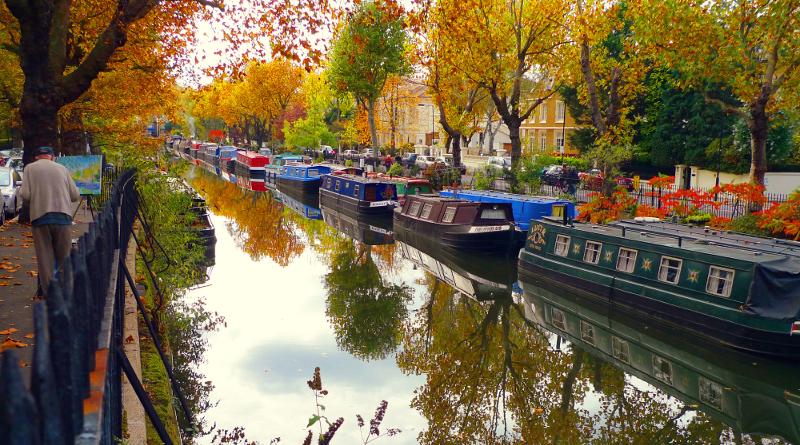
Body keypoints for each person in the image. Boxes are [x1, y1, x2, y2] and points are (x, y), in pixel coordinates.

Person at [19, 146, 80, 296]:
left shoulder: (29, 169)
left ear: (36, 157)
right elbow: (75, 195)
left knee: (45, 258)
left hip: (40, 218)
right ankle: (67, 291)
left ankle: (50, 294)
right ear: (52, 156)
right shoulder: (62, 169)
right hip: (63, 217)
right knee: (64, 256)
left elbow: (25, 195)